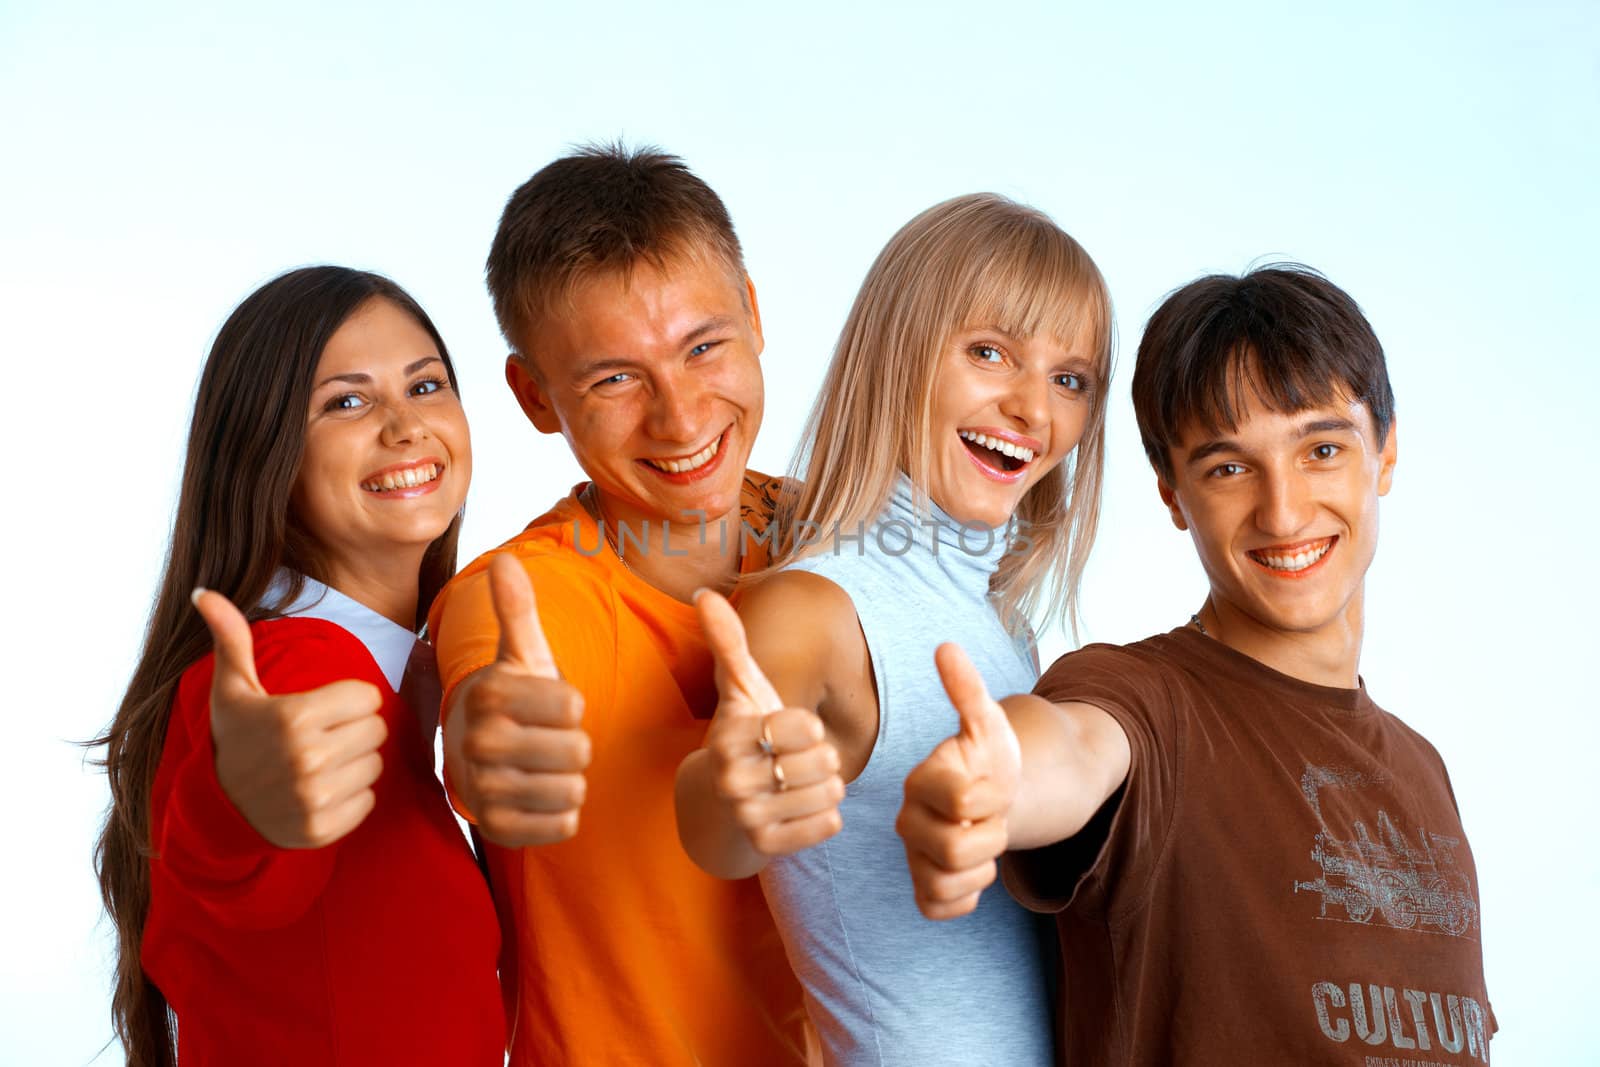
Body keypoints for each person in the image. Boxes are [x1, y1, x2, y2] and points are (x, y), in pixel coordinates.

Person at [896, 265, 1495, 1064]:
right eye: (1227, 467)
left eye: (1321, 448)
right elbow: (1069, 750)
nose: (1283, 510)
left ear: (1384, 453)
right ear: (1173, 495)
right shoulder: (1145, 701)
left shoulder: (1427, 773)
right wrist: (991, 786)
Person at [676, 193, 1113, 1064]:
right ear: (900, 353)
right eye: (992, 353)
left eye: (1069, 378)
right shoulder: (811, 609)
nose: (1034, 408)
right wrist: (733, 787)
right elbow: (717, 821)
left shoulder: (1008, 633)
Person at [427, 145, 810, 1064]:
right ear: (535, 397)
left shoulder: (837, 529)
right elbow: (488, 722)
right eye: (613, 378)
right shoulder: (513, 596)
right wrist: (494, 748)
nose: (679, 418)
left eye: (703, 346)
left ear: (754, 315)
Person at [91, 266, 517, 1066]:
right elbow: (237, 841)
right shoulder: (297, 663)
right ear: (266, 455)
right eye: (346, 402)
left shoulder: (404, 671)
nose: (404, 427)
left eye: (425, 385)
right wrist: (248, 804)